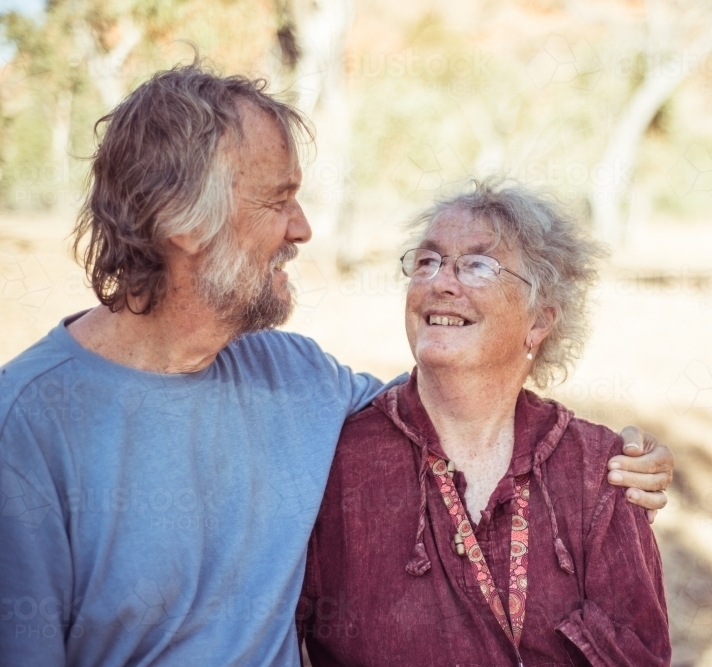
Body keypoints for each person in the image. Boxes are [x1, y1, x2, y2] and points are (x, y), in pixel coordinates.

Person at [0, 64, 673, 666]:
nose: (302, 228)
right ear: (183, 220)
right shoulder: (27, 427)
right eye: (276, 199)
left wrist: (619, 460)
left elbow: (455, 402)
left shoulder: (296, 378)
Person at [298, 181, 671, 666]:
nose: (441, 282)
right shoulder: (337, 460)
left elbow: (639, 654)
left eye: (477, 265)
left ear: (539, 321)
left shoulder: (598, 470)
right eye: (428, 261)